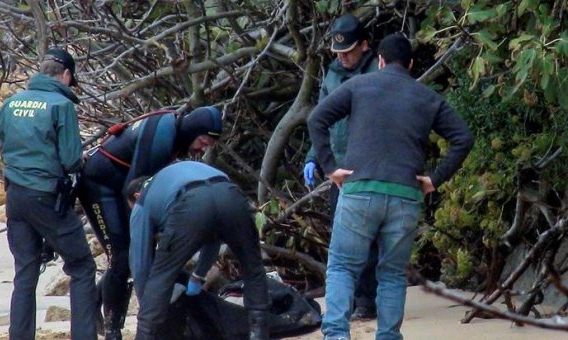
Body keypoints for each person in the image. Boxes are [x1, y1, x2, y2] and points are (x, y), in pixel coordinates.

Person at [307, 33, 474, 340]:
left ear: (379, 61)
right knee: (393, 274)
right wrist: (435, 179)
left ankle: (336, 336)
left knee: (343, 267)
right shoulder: (427, 97)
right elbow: (463, 138)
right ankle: (387, 336)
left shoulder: (357, 86)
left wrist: (330, 167)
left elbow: (317, 119)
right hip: (405, 195)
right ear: (410, 64)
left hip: (359, 191)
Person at [76, 106, 223, 339]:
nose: (203, 148)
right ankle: (113, 331)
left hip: (121, 184)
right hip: (100, 186)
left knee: (135, 253)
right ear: (193, 130)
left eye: (209, 146)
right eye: (203, 141)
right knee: (123, 257)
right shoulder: (162, 136)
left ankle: (96, 305)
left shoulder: (176, 132)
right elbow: (135, 190)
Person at [0, 48, 98, 340]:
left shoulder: (11, 103)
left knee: (25, 272)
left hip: (15, 196)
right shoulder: (61, 106)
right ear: (66, 75)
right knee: (81, 266)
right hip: (46, 196)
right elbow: (70, 160)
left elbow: (4, 149)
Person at [126, 161, 271, 340]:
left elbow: (140, 263)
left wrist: (147, 303)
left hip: (191, 205)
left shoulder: (142, 202)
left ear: (136, 195)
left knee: (161, 276)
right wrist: (198, 276)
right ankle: (259, 333)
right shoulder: (173, 177)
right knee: (253, 267)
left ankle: (145, 336)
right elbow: (214, 235)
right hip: (231, 195)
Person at [303, 13, 379, 320]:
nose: (343, 57)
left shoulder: (377, 72)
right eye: (338, 53)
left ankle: (366, 299)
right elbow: (322, 120)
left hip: (371, 164)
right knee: (342, 236)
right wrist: (313, 157)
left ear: (364, 45)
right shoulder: (332, 75)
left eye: (348, 51)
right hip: (338, 168)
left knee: (369, 236)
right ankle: (347, 298)